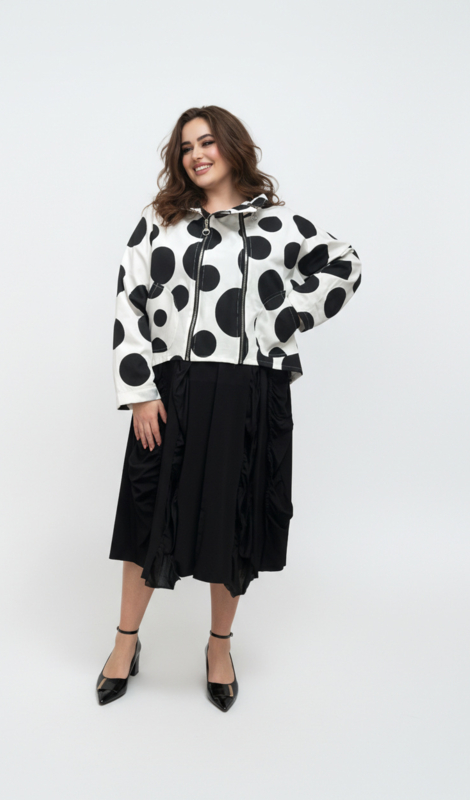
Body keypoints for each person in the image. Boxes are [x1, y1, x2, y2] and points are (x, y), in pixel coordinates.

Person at [96, 105, 362, 712]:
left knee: (234, 520)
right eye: (186, 147)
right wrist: (140, 391)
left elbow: (345, 264)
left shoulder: (280, 224)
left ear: (232, 145)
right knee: (146, 517)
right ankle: (124, 642)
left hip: (250, 390)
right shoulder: (159, 220)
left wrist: (283, 317)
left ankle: (220, 647)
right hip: (172, 388)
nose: (196, 155)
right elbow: (129, 301)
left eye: (207, 141)